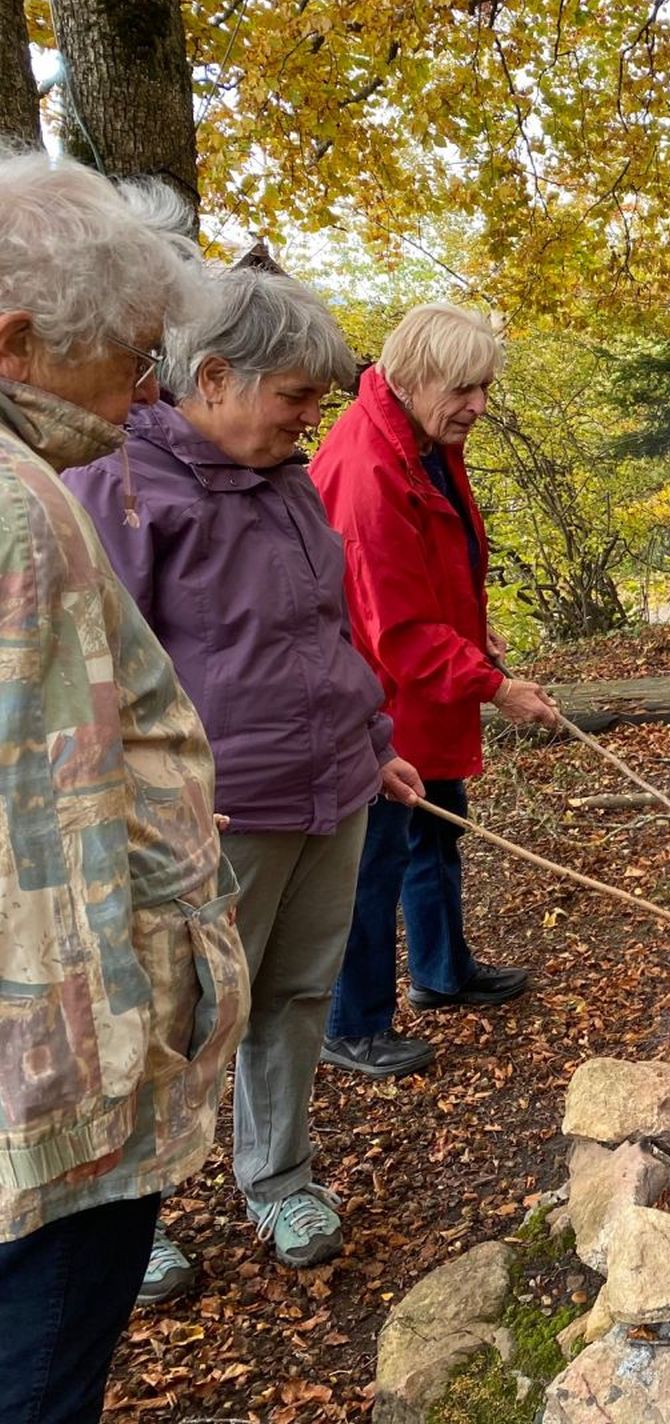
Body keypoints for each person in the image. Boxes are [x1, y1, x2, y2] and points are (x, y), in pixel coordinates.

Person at [66, 266, 427, 1298]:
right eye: (296, 396)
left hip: (330, 788)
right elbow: (90, 671)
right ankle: (136, 1215)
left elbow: (323, 633)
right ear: (213, 377)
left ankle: (279, 1177)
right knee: (175, 1020)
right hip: (210, 814)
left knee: (295, 994)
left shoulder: (283, 482)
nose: (312, 419)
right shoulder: (122, 484)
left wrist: (373, 737)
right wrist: (142, 795)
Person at [0, 149, 250, 1422]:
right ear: (17, 343)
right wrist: (114, 1081)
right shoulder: (18, 511)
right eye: (132, 356)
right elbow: (41, 829)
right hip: (45, 1113)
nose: (143, 387)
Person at [311, 303, 563, 1079]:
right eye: (464, 388)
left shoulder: (421, 438)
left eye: (484, 387)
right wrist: (495, 687)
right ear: (414, 376)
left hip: (426, 687)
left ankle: (442, 972)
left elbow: (440, 563)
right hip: (376, 698)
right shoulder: (368, 468)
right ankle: (351, 1024)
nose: (479, 406)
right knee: (375, 858)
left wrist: (474, 627)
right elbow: (393, 626)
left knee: (439, 827)